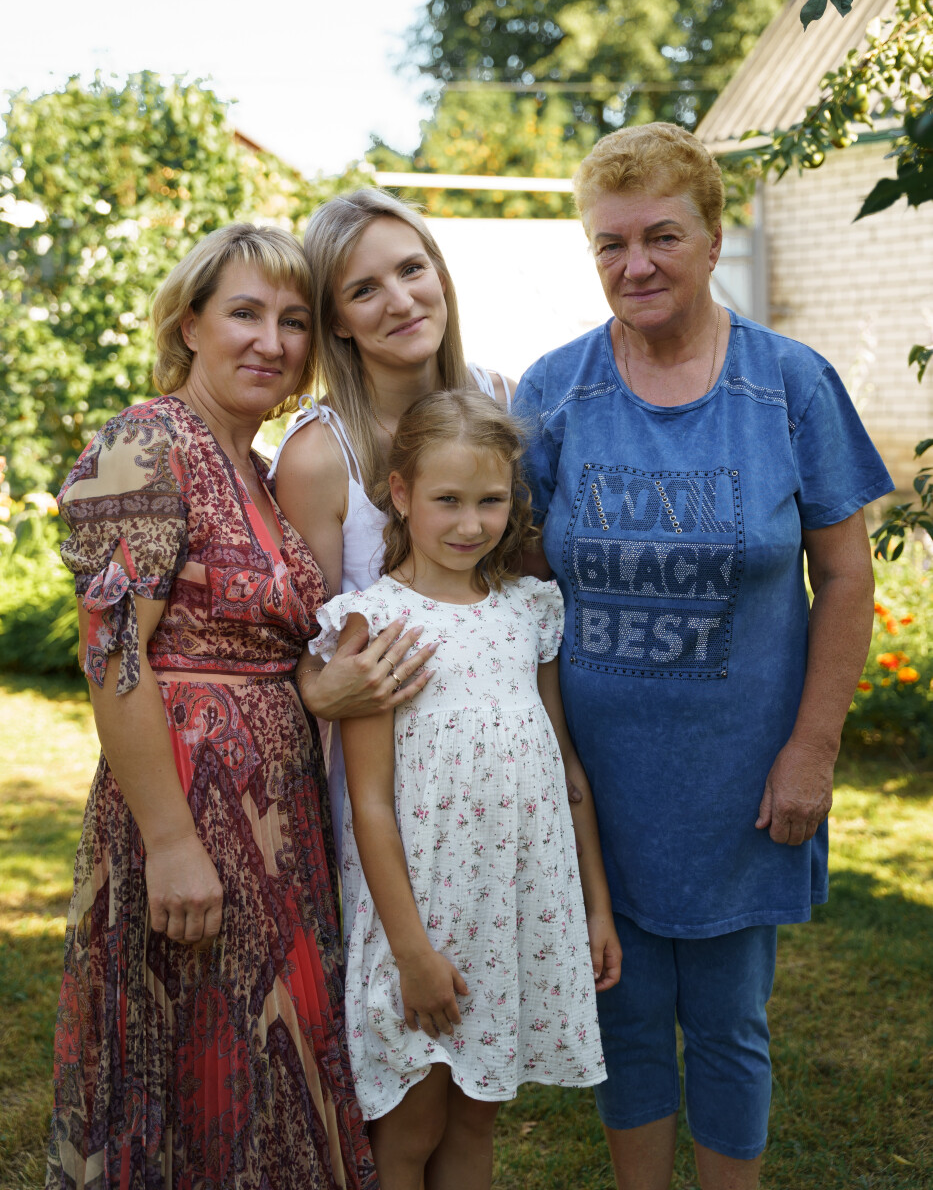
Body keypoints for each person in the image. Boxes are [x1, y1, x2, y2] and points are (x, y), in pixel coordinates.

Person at [513, 122, 893, 1190]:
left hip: (742, 778)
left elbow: (846, 576)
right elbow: (524, 583)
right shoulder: (553, 392)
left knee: (729, 1023)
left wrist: (812, 749)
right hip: (599, 782)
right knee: (623, 1013)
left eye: (661, 236)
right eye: (610, 242)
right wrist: (545, 756)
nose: (634, 263)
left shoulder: (789, 384)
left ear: (715, 238)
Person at [47, 224, 376, 1190]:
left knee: (270, 1072)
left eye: (293, 321)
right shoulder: (145, 445)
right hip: (188, 815)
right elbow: (113, 658)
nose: (272, 341)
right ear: (189, 324)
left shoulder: (261, 469)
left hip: (278, 821)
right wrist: (171, 843)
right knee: (195, 1080)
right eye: (244, 313)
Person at [312, 389, 621, 1190]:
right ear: (400, 493)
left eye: (490, 501)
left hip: (511, 908)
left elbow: (563, 766)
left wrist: (594, 905)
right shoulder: (374, 623)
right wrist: (412, 954)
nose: (470, 523)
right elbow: (368, 802)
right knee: (411, 1125)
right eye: (446, 499)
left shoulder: (527, 610)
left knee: (478, 1114)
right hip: (422, 918)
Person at [273, 188, 513, 854]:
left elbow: (529, 585)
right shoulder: (319, 456)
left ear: (439, 272)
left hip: (511, 761)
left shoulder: (502, 399)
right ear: (337, 322)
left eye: (411, 269)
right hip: (395, 785)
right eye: (364, 290)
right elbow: (302, 645)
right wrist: (318, 689)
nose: (402, 301)